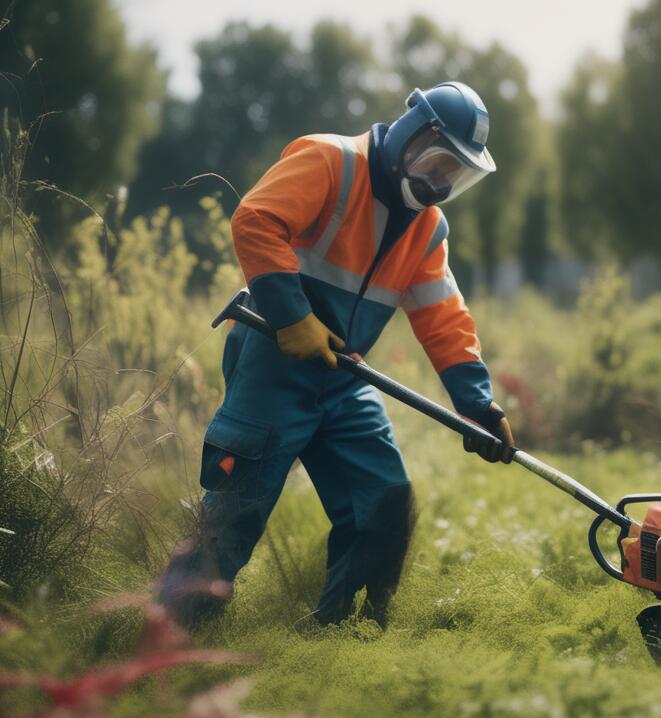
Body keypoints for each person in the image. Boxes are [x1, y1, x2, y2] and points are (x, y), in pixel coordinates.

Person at [158, 82, 514, 628]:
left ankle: (345, 633)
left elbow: (443, 316)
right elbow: (255, 219)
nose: (442, 184)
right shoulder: (330, 161)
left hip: (346, 379)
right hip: (272, 365)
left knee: (385, 502)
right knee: (236, 512)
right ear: (412, 135)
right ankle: (168, 637)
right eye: (440, 163)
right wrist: (293, 315)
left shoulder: (427, 228)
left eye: (456, 175)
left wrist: (478, 405)